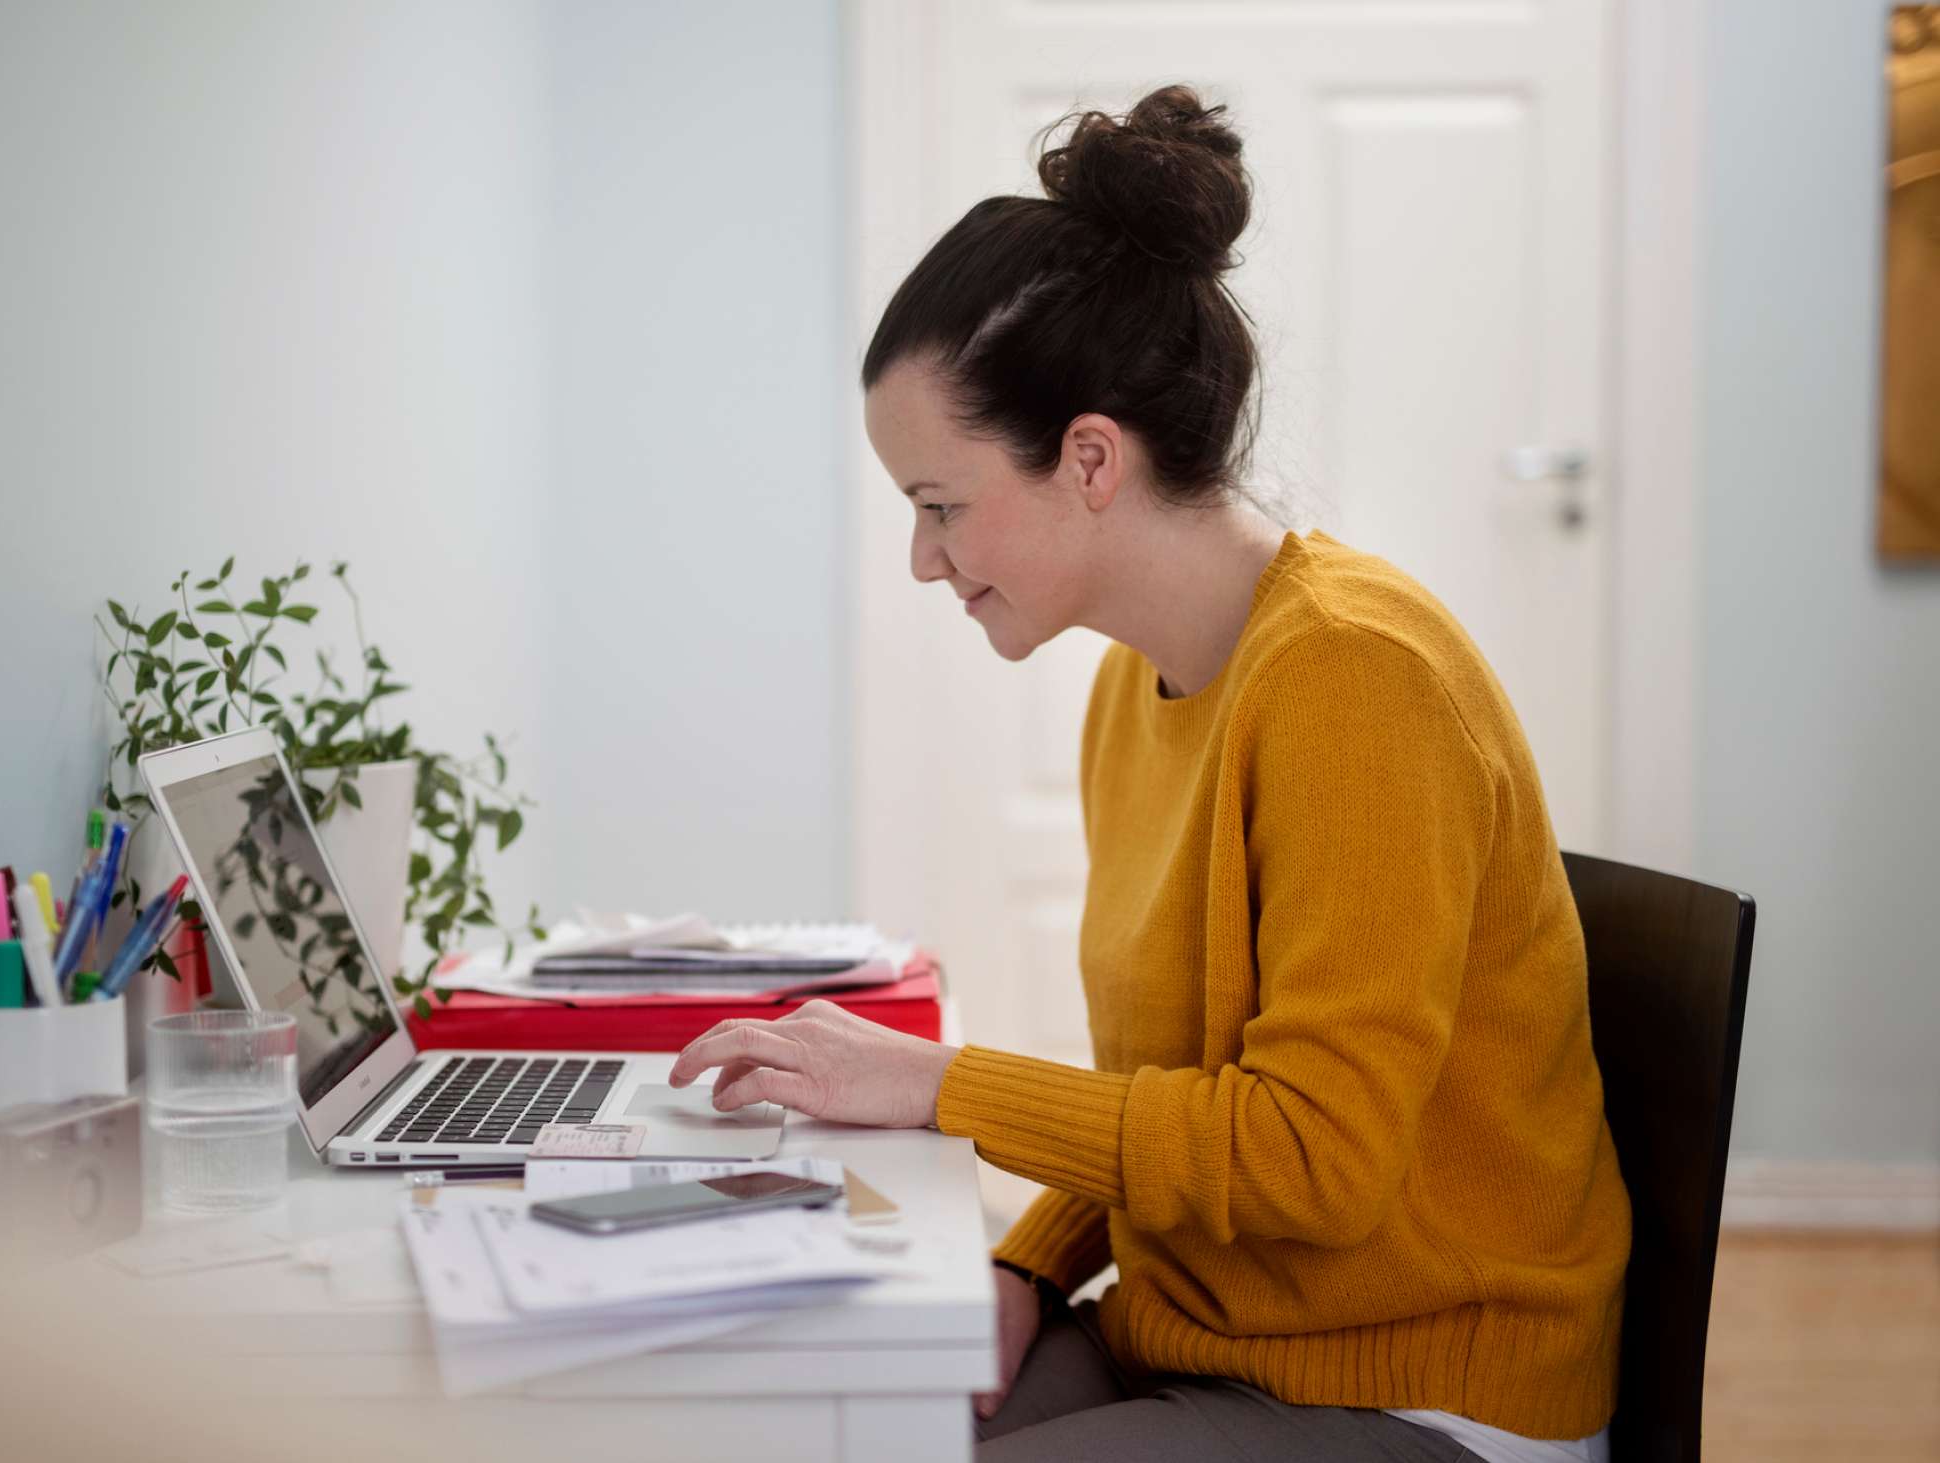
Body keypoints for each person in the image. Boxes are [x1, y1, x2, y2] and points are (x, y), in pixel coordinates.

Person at [667, 86, 1629, 1462]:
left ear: (1091, 458)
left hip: (1415, 1387)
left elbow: (1312, 1156)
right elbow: (1181, 1088)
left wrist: (938, 1086)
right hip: (1215, 1331)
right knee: (840, 1417)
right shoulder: (1138, 683)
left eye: (941, 506)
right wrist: (1027, 1266)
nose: (924, 562)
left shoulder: (1358, 680)